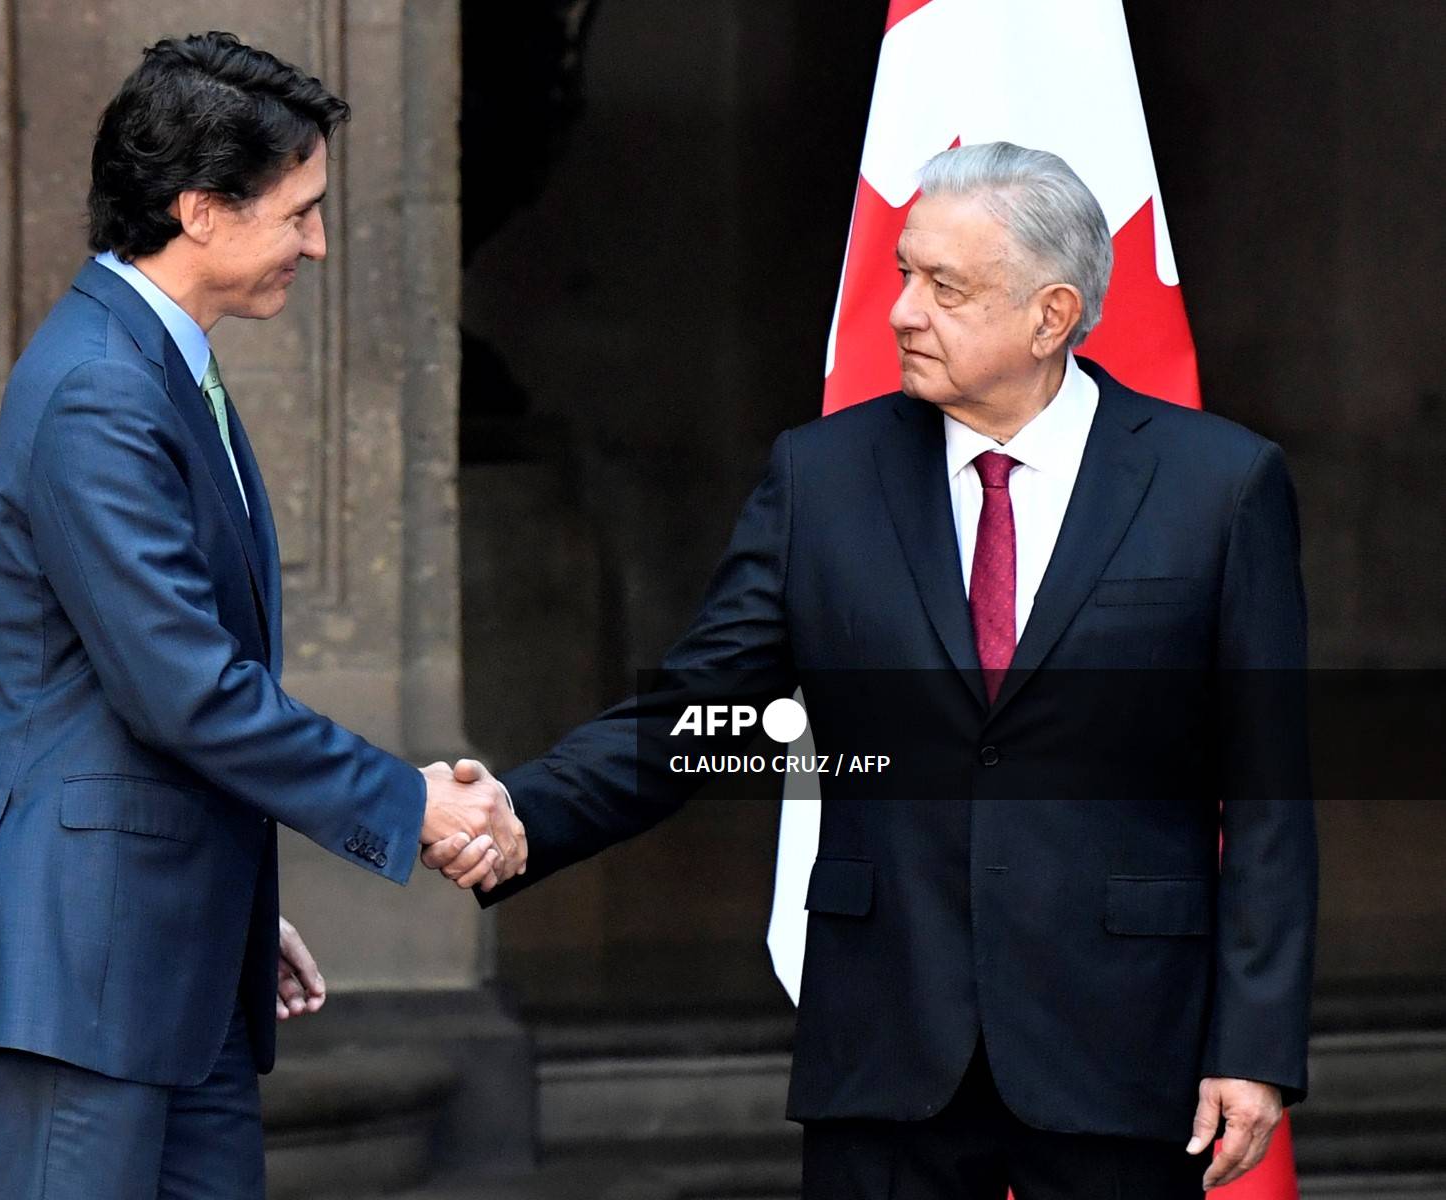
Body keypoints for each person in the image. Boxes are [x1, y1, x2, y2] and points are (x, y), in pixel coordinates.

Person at [428, 142, 1316, 1199]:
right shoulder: (824, 475)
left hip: (1121, 1031)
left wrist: (1255, 1042)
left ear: (1051, 314)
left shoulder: (1218, 485)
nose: (902, 310)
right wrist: (528, 811)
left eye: (946, 287)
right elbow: (700, 713)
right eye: (904, 272)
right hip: (888, 1038)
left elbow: (1267, 793)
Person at [0, 32, 524, 1200]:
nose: (318, 241)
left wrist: (228, 909)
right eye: (298, 212)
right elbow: (183, 687)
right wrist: (410, 801)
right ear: (200, 210)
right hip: (78, 970)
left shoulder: (154, 361)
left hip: (166, 953)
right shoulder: (101, 385)